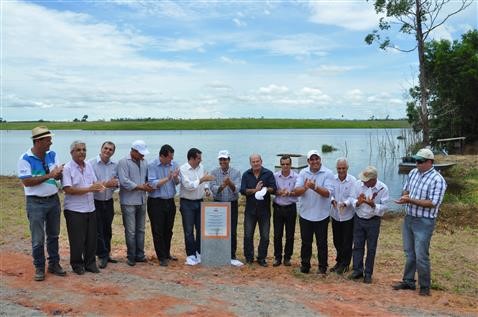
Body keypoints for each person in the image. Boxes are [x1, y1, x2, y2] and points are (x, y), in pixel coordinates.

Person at [393, 148, 447, 296]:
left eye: (420, 161)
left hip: (425, 221)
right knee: (409, 253)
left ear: (430, 162)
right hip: (409, 217)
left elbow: (433, 203)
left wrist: (409, 200)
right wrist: (404, 197)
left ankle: (424, 287)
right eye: (416, 160)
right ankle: (409, 281)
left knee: (421, 254)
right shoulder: (412, 173)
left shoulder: (438, 180)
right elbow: (406, 190)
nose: (417, 163)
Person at [17, 126, 66, 281]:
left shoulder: (52, 154)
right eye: (48, 140)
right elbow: (27, 182)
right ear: (38, 141)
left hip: (53, 200)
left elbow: (56, 177)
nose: (51, 143)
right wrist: (50, 175)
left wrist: (59, 174)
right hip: (35, 203)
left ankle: (54, 264)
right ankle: (39, 267)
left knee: (53, 235)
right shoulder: (25, 159)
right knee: (38, 238)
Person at [63, 141, 105, 275]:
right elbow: (68, 189)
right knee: (77, 240)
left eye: (84, 150)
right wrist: (90, 189)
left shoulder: (88, 166)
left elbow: (94, 182)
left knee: (91, 238)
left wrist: (100, 186)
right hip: (74, 210)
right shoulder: (67, 168)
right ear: (72, 153)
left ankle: (90, 263)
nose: (82, 152)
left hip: (90, 208)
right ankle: (77, 264)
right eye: (79, 150)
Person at [294, 150, 333, 274]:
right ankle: (305, 266)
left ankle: (322, 267)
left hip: (322, 215)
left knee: (322, 243)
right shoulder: (303, 172)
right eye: (312, 159)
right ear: (308, 161)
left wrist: (314, 187)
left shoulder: (328, 173)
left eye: (317, 159)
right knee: (306, 243)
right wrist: (306, 187)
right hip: (305, 214)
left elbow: (327, 193)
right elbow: (296, 191)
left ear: (320, 160)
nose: (315, 161)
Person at [348, 166, 389, 284]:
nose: (363, 181)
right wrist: (358, 202)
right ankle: (357, 270)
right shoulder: (357, 184)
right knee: (357, 246)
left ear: (373, 179)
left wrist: (374, 205)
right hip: (359, 219)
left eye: (366, 180)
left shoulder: (382, 188)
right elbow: (351, 198)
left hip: (373, 220)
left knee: (371, 248)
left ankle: (368, 273)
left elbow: (385, 207)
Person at [118, 140, 153, 266]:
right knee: (131, 230)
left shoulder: (144, 162)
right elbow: (124, 181)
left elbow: (146, 178)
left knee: (141, 229)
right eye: (141, 153)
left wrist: (148, 184)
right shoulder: (123, 162)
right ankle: (131, 256)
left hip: (142, 200)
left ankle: (140, 254)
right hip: (128, 201)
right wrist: (141, 187)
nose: (143, 156)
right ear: (133, 151)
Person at [179, 148, 215, 265]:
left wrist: (207, 189)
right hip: (187, 203)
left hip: (200, 201)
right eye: (199, 158)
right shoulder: (183, 169)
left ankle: (199, 252)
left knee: (200, 229)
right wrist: (202, 179)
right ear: (192, 158)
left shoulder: (201, 167)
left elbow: (205, 183)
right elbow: (189, 185)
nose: (201, 160)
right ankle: (190, 255)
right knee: (189, 230)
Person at [240, 154, 277, 267]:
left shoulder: (268, 173)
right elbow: (242, 190)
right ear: (250, 163)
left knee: (265, 236)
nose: (256, 163)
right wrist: (255, 190)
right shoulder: (246, 174)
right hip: (250, 210)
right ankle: (249, 257)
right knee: (247, 235)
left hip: (264, 211)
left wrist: (265, 189)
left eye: (257, 161)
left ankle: (262, 258)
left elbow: (274, 189)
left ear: (261, 161)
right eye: (253, 162)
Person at [147, 144, 180, 267]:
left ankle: (167, 253)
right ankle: (161, 257)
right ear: (162, 156)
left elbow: (177, 182)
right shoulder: (152, 165)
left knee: (168, 229)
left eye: (172, 157)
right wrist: (167, 178)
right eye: (169, 157)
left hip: (170, 201)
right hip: (156, 202)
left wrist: (176, 178)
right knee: (158, 230)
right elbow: (152, 183)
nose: (171, 160)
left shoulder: (174, 164)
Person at [89, 141, 119, 269]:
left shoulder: (115, 165)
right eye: (105, 148)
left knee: (107, 228)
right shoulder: (91, 164)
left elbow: (117, 182)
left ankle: (107, 253)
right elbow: (93, 184)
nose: (107, 151)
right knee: (98, 230)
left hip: (108, 200)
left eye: (110, 149)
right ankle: (101, 255)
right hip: (96, 201)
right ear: (101, 149)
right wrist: (107, 184)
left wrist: (115, 184)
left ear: (113, 152)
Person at [210, 150, 242, 261]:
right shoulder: (214, 172)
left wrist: (230, 183)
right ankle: (218, 252)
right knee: (218, 230)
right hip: (218, 204)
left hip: (232, 203)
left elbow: (237, 189)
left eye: (225, 159)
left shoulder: (236, 172)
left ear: (229, 160)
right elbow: (213, 188)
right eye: (221, 159)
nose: (223, 161)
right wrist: (222, 186)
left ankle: (232, 254)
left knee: (232, 230)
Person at [329, 157, 356, 274]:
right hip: (335, 215)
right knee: (337, 240)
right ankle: (339, 261)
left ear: (347, 168)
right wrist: (332, 200)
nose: (341, 170)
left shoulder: (353, 180)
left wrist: (345, 203)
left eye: (343, 168)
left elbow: (353, 197)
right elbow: (329, 193)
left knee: (347, 241)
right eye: (339, 168)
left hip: (347, 216)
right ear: (336, 168)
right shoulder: (332, 179)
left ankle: (345, 264)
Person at [272, 154, 298, 267]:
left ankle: (287, 257)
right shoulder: (275, 176)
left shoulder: (296, 177)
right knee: (277, 234)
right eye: (283, 164)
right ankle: (277, 257)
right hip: (278, 207)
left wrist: (289, 193)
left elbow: (298, 192)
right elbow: (272, 190)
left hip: (290, 208)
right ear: (280, 165)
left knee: (290, 235)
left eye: (287, 164)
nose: (285, 166)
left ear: (291, 165)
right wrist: (277, 192)